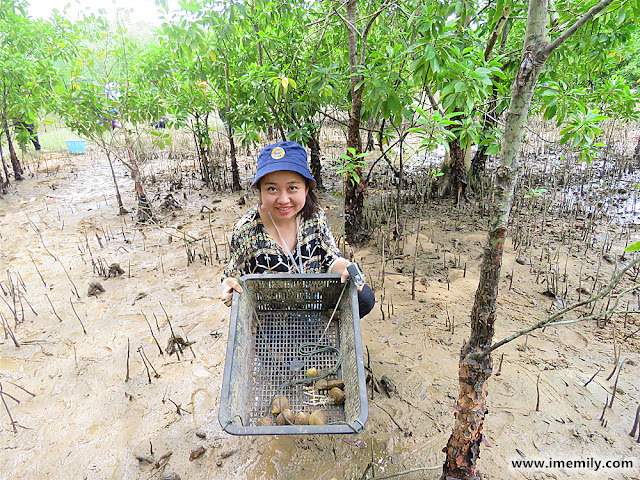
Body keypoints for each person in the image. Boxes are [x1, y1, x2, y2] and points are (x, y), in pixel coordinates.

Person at [221, 140, 375, 318]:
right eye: (272, 189)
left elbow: (330, 259)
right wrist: (228, 287)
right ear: (260, 191)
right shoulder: (246, 230)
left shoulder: (314, 217)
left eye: (293, 188)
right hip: (270, 312)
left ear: (307, 188)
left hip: (313, 302)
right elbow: (232, 277)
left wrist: (347, 267)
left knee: (363, 296)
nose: (283, 199)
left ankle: (328, 324)